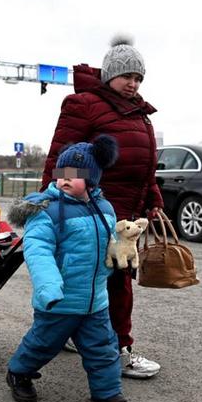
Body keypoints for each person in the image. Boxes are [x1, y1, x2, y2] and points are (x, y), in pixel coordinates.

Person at [40, 36, 164, 379]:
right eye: (127, 76)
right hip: (93, 210)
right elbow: (62, 156)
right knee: (112, 282)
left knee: (102, 278)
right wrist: (50, 205)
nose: (133, 83)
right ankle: (117, 351)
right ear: (109, 74)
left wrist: (153, 197)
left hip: (127, 212)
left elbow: (144, 166)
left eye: (138, 78)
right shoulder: (84, 105)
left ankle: (75, 333)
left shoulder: (140, 113)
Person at [6, 135, 129, 402]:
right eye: (61, 174)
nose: (65, 179)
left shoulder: (105, 209)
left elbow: (108, 244)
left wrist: (121, 255)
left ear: (93, 178)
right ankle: (19, 373)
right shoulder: (47, 211)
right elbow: (38, 251)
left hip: (95, 300)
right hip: (59, 299)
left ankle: (106, 390)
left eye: (76, 175)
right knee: (43, 343)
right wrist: (48, 286)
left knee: (103, 348)